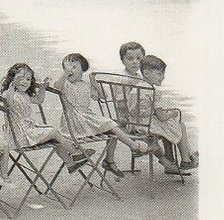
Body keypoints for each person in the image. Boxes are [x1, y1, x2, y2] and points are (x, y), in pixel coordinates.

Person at [54, 53, 148, 176]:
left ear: (83, 69)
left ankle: (110, 160)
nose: (70, 70)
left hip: (86, 117)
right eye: (66, 68)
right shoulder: (66, 84)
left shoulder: (85, 84)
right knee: (109, 124)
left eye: (74, 67)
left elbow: (103, 97)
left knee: (112, 127)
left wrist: (95, 84)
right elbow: (57, 86)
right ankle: (133, 145)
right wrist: (66, 73)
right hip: (74, 120)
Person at [0, 63, 90, 173]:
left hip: (28, 130)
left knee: (53, 136)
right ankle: (76, 153)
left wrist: (42, 88)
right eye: (20, 78)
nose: (24, 82)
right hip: (19, 136)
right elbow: (9, 102)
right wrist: (11, 87)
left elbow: (39, 100)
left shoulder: (25, 94)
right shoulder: (8, 94)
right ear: (12, 79)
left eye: (28, 79)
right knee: (54, 132)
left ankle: (70, 163)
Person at [138, 55, 198, 173]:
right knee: (179, 124)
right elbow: (161, 116)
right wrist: (173, 113)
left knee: (169, 125)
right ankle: (186, 160)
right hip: (147, 126)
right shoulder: (154, 92)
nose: (163, 77)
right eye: (159, 74)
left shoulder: (136, 86)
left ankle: (172, 160)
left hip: (135, 123)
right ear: (146, 73)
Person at [103, 42, 147, 176]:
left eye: (139, 58)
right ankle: (163, 158)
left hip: (135, 115)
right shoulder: (122, 78)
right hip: (126, 118)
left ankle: (109, 159)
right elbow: (121, 104)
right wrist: (130, 119)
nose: (135, 62)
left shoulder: (139, 77)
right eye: (130, 59)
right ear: (122, 60)